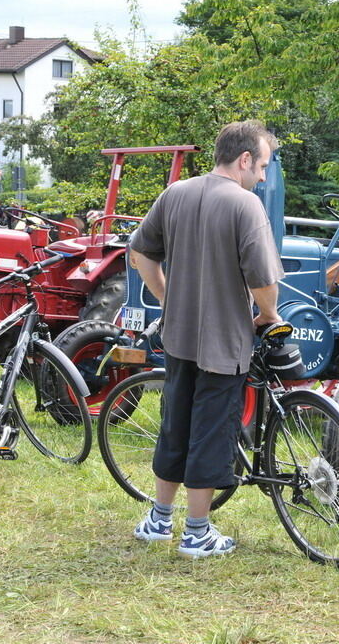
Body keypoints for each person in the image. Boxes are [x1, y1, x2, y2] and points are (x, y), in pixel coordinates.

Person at [129, 120, 284, 558]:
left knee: (175, 424)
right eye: (262, 166)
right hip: (224, 343)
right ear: (244, 159)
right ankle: (197, 532)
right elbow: (264, 280)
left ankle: (158, 520)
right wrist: (268, 316)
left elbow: (140, 252)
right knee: (211, 432)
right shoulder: (245, 205)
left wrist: (167, 298)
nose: (263, 177)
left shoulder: (175, 192)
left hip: (178, 336)